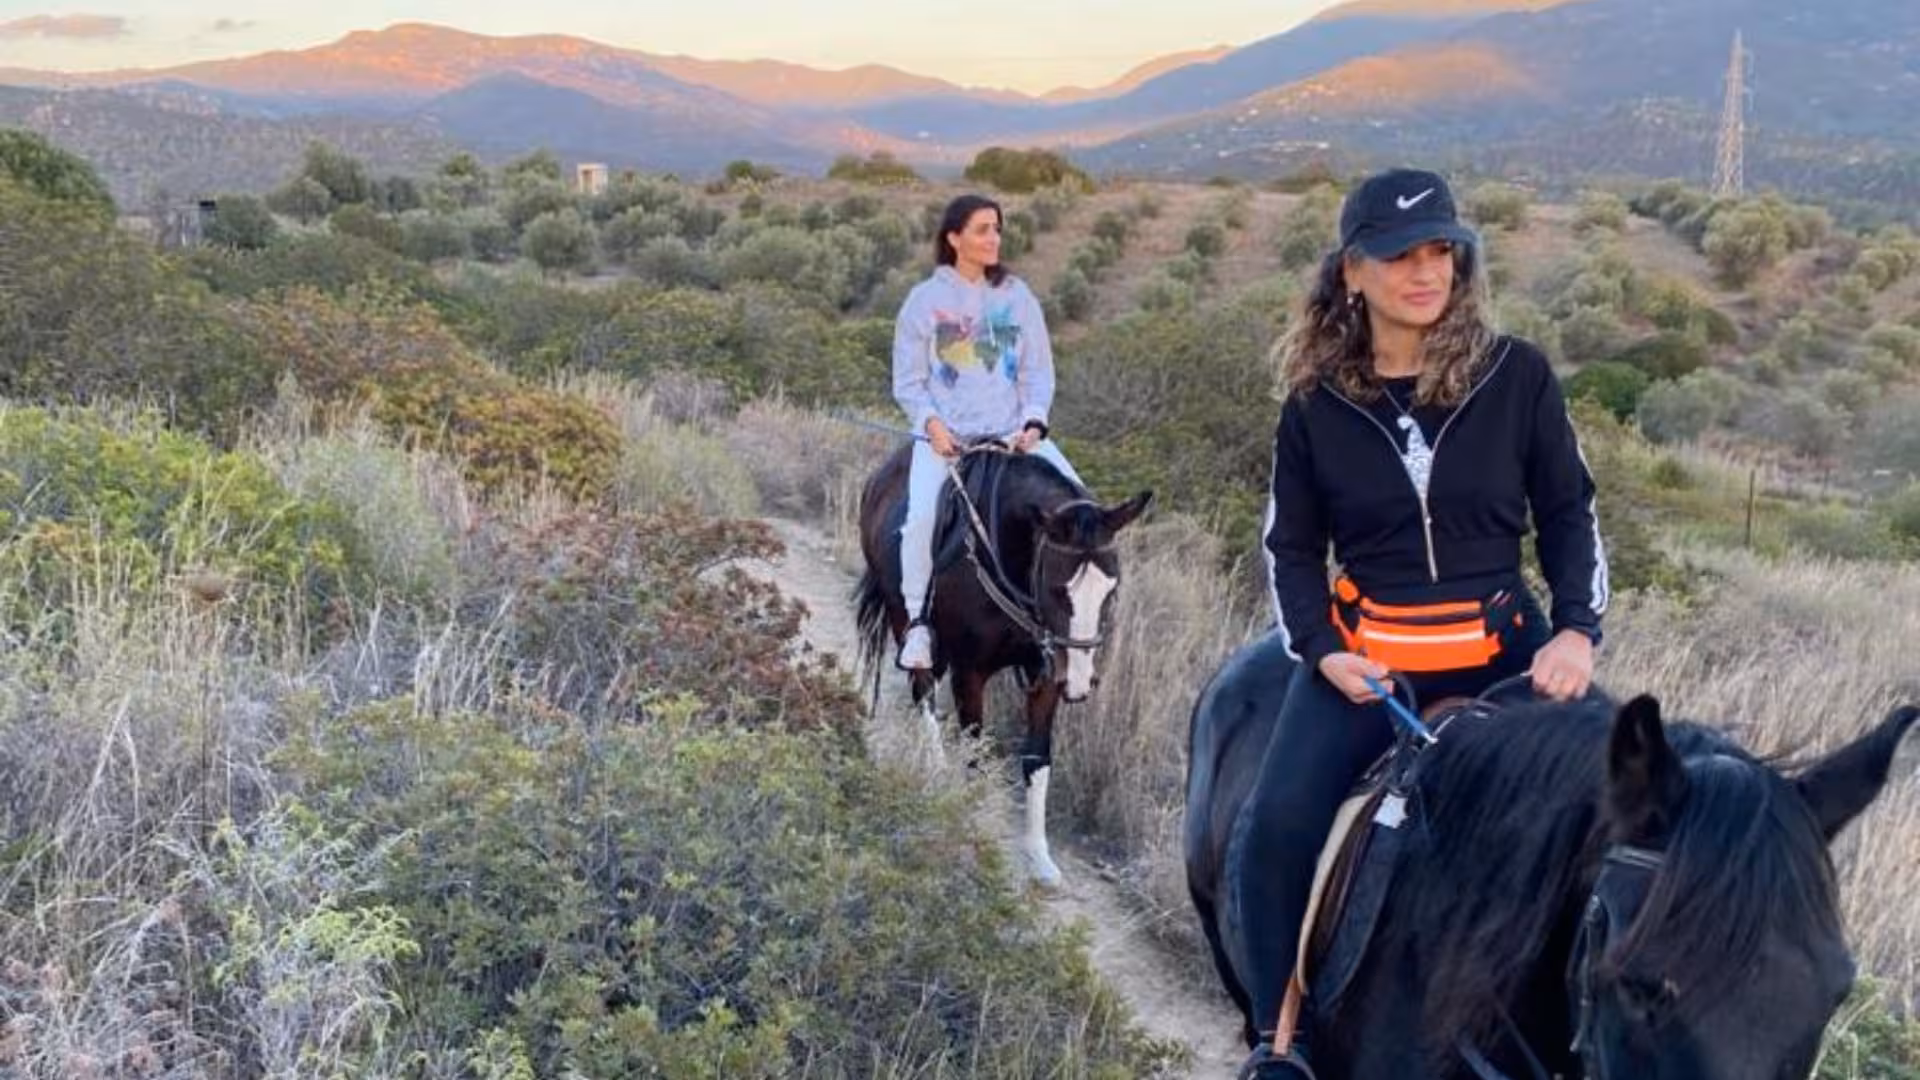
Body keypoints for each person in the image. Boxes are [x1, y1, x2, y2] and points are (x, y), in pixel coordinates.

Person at [1236, 168, 1610, 1079]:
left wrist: (1575, 632)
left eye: (1440, 249)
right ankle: (1276, 1042)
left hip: (1509, 653)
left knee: (1625, 823)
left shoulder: (1516, 375)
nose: (1425, 270)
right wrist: (1322, 653)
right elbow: (1291, 549)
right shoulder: (1316, 406)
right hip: (1370, 664)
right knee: (1275, 827)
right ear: (1351, 272)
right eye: (1399, 254)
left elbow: (1569, 513)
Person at [889, 193, 1085, 670]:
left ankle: (1072, 625)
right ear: (954, 238)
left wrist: (1034, 422)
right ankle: (917, 625)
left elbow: (1038, 373)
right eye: (982, 229)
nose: (994, 238)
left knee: (1083, 506)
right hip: (948, 441)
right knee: (918, 522)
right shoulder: (924, 301)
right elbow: (909, 382)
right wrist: (932, 426)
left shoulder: (1018, 297)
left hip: (1013, 439)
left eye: (997, 228)